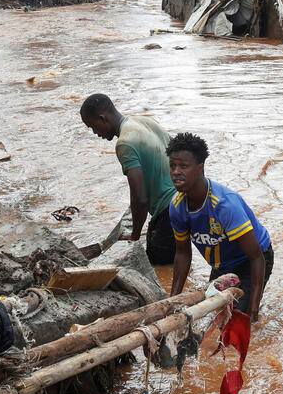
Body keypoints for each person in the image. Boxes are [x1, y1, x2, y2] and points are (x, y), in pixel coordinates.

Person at [167, 133, 273, 322]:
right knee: (215, 314)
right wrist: (172, 303)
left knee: (238, 319)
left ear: (200, 168)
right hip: (222, 264)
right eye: (172, 166)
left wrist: (253, 311)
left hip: (252, 260)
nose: (176, 172)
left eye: (183, 166)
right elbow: (183, 254)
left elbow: (256, 257)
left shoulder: (224, 204)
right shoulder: (177, 206)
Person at [80, 94, 176, 264]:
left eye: (93, 127)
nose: (95, 133)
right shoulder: (144, 122)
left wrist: (135, 234)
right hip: (184, 200)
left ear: (102, 118)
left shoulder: (125, 143)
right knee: (179, 256)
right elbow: (179, 152)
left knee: (160, 266)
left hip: (167, 210)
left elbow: (139, 199)